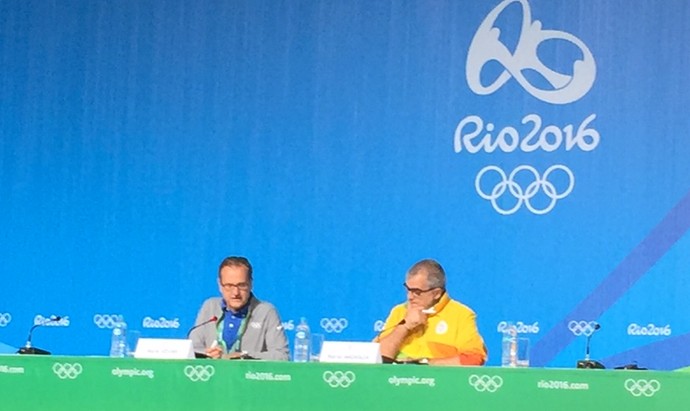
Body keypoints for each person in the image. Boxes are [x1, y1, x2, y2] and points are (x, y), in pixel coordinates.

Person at [375, 259, 487, 365]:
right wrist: (404, 326)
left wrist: (425, 365)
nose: (410, 297)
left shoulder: (461, 314)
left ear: (436, 293)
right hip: (396, 381)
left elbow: (474, 358)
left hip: (440, 382)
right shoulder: (399, 311)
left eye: (417, 292)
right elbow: (377, 357)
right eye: (408, 289)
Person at [191, 256, 289, 360]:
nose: (235, 293)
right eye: (229, 286)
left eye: (241, 285)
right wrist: (208, 354)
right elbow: (192, 349)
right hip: (213, 374)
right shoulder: (209, 306)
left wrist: (244, 356)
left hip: (249, 374)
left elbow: (282, 356)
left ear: (251, 284)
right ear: (220, 285)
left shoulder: (266, 311)